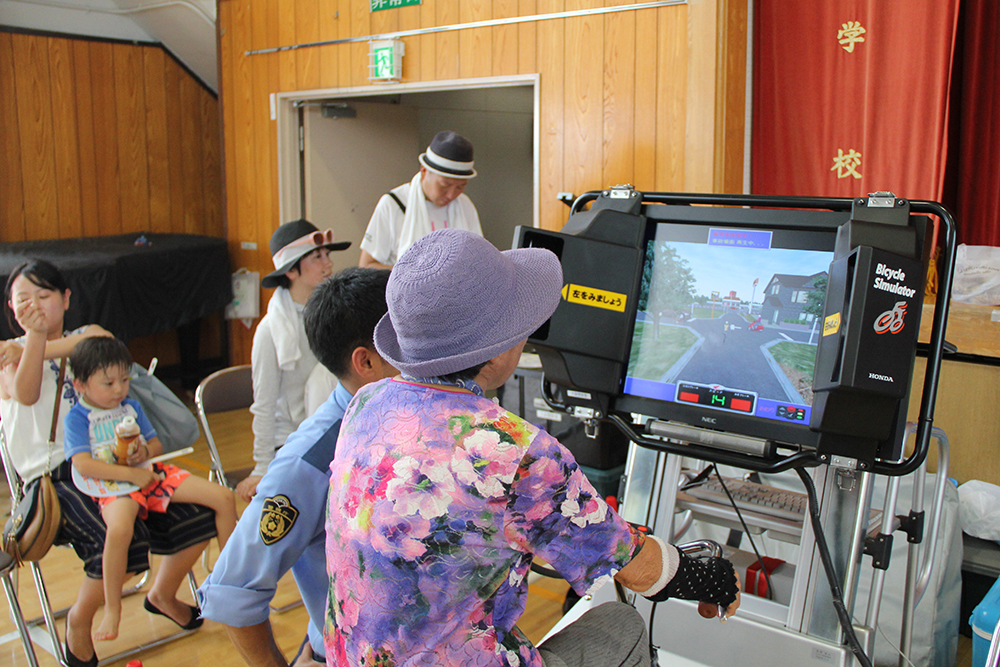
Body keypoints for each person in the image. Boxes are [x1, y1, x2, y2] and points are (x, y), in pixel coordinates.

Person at [326, 230, 741, 667]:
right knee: (621, 626)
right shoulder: (515, 452)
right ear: (496, 350)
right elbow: (635, 568)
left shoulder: (367, 403)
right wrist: (706, 577)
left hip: (356, 658)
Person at [0, 259, 219, 667]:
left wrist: (34, 341)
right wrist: (29, 340)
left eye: (43, 296)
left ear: (66, 299)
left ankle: (162, 595)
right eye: (22, 300)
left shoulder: (87, 342)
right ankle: (80, 621)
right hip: (56, 478)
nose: (34, 305)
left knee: (198, 511)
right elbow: (27, 394)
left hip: (117, 466)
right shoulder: (8, 360)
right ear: (11, 309)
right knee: (118, 534)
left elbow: (99, 338)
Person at [198, 267, 397, 667]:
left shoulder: (419, 419)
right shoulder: (313, 459)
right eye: (408, 336)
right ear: (367, 362)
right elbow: (234, 587)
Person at [64, 336, 237, 642]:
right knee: (119, 530)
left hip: (148, 475)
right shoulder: (77, 418)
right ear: (80, 385)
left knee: (223, 497)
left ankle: (232, 582)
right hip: (115, 486)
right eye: (108, 383)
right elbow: (83, 465)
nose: (119, 389)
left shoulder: (129, 406)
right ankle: (112, 608)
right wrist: (129, 473)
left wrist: (144, 454)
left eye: (124, 380)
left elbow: (155, 443)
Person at [242, 219, 352, 502]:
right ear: (291, 270)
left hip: (332, 434)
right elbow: (264, 405)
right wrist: (261, 466)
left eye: (328, 255)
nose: (328, 264)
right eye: (317, 257)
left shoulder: (333, 315)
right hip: (290, 444)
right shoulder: (270, 330)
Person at [358, 130, 482, 269]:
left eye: (460, 187)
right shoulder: (394, 204)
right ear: (424, 171)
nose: (451, 195)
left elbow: (478, 259)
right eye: (444, 185)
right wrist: (415, 274)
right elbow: (367, 265)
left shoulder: (464, 205)